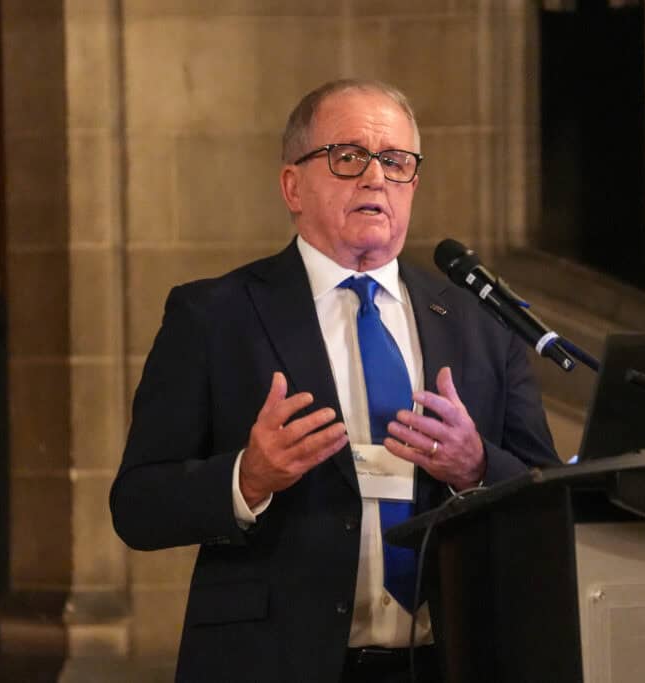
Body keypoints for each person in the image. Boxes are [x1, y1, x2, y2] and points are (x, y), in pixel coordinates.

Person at [110, 78, 559, 683]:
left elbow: (551, 497)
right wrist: (246, 478)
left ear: (413, 185)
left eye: (395, 162)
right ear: (293, 185)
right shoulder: (214, 316)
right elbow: (137, 507)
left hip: (448, 662)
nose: (376, 178)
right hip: (274, 663)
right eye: (348, 157)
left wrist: (476, 467)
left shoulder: (479, 324)